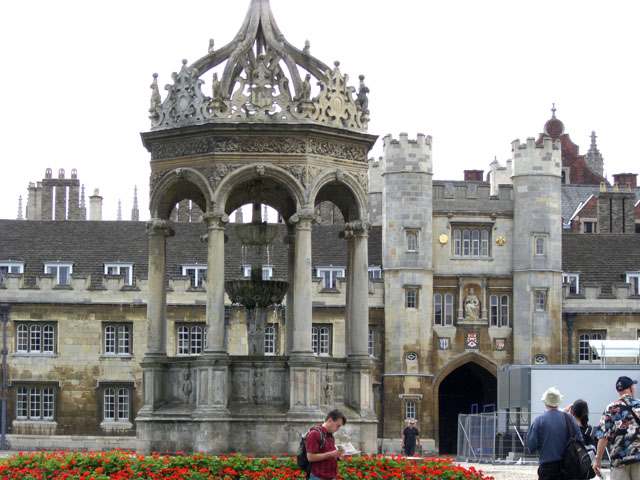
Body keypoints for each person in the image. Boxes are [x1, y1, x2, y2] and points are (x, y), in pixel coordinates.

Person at [527, 387, 583, 480]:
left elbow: (531, 446)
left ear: (545, 403)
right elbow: (580, 440)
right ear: (558, 402)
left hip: (547, 467)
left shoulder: (539, 420)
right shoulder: (569, 418)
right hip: (569, 467)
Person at [594, 376, 640, 480]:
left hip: (619, 461)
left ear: (618, 391)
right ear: (631, 389)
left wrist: (598, 460)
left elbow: (603, 437)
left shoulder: (610, 408)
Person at [306, 409, 347, 480]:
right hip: (318, 476)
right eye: (337, 425)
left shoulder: (330, 435)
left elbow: (329, 454)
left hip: (331, 476)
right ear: (330, 420)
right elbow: (310, 457)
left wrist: (339, 457)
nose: (338, 428)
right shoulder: (314, 433)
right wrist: (331, 454)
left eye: (339, 426)